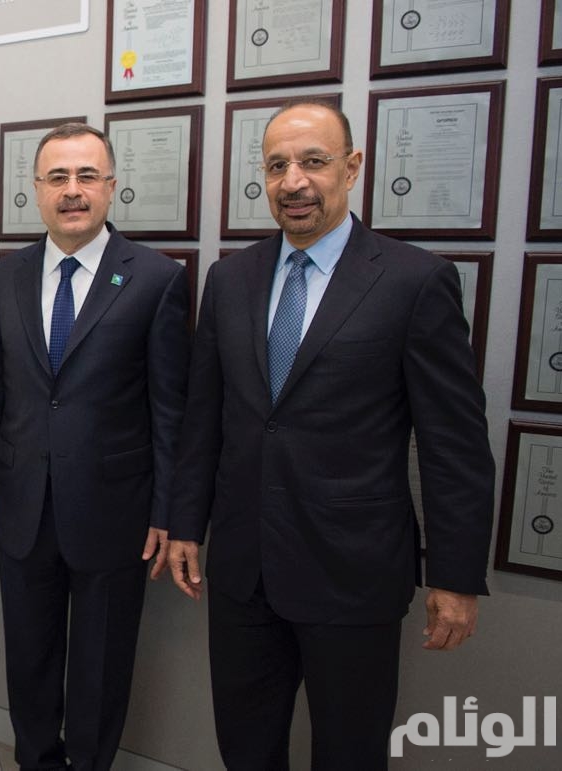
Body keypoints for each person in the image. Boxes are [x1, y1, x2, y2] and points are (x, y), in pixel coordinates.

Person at [166, 101, 494, 769]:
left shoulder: (414, 281)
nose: (293, 181)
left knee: (349, 752)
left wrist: (456, 575)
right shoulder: (230, 279)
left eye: (313, 162)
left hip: (353, 574)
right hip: (244, 572)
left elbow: (454, 444)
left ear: (352, 167)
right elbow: (206, 418)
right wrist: (185, 525)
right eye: (277, 166)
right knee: (245, 748)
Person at [0, 122, 189, 770]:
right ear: (36, 189)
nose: (73, 190)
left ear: (112, 186)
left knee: (100, 669)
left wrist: (170, 511)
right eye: (57, 177)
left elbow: (171, 410)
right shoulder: (5, 276)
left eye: (87, 175)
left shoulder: (156, 279)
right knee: (28, 663)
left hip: (116, 512)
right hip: (23, 506)